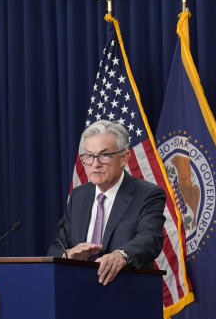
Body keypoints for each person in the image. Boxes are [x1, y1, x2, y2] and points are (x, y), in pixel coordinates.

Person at [49, 120, 165, 285]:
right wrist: (68, 255)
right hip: (78, 290)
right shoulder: (78, 196)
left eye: (104, 155)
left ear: (124, 158)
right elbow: (57, 245)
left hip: (126, 291)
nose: (95, 164)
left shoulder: (147, 195)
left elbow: (150, 239)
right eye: (89, 156)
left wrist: (121, 255)